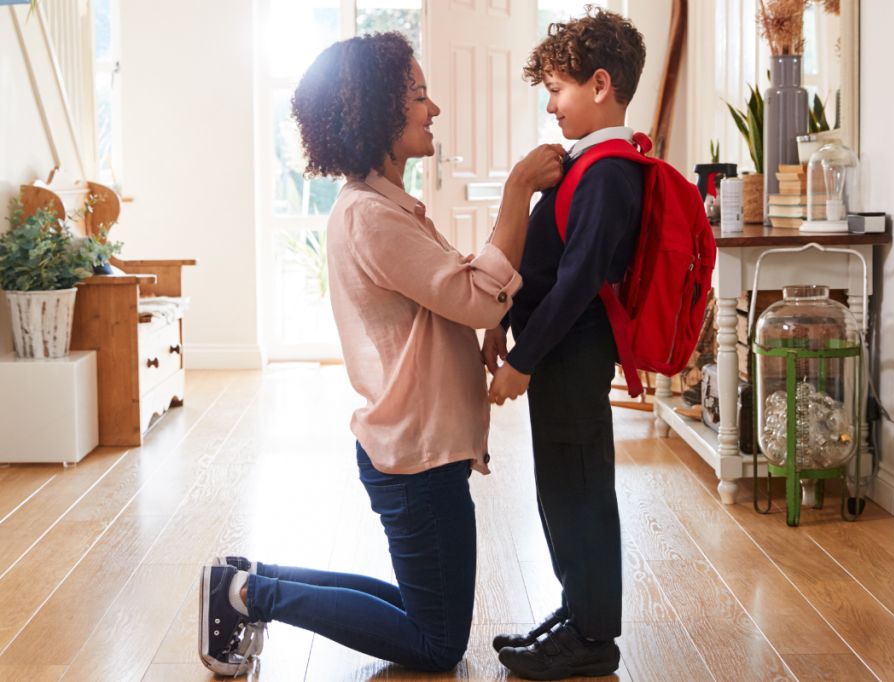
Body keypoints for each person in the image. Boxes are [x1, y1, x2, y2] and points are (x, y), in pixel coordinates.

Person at [196, 31, 564, 677]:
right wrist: (517, 192)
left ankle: (248, 579)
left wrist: (486, 320)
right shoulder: (372, 216)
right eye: (419, 96)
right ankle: (252, 596)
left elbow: (452, 299)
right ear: (377, 113)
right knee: (436, 642)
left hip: (416, 449)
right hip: (418, 457)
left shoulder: (384, 206)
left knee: (425, 610)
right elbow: (476, 297)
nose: (434, 109)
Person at [483, 8, 647, 680]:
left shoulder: (609, 171)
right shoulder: (586, 164)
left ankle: (593, 634)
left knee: (579, 488)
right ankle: (578, 612)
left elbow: (579, 282)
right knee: (560, 485)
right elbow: (547, 264)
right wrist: (502, 319)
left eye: (557, 88)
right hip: (559, 354)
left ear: (600, 84)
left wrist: (523, 361)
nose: (550, 104)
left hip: (572, 355)